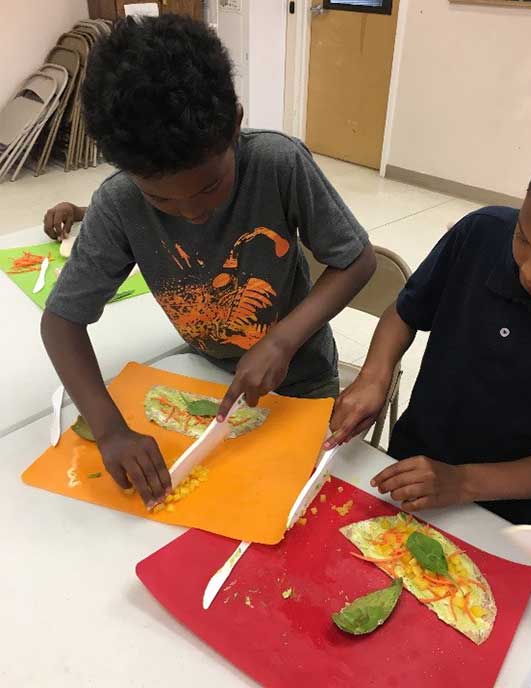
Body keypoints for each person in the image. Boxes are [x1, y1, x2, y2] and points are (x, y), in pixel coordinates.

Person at [41, 15, 375, 508]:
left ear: (236, 125)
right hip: (203, 375)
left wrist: (282, 339)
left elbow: (358, 261)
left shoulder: (278, 164)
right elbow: (61, 323)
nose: (194, 211)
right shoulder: (118, 204)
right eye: (164, 201)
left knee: (286, 506)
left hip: (300, 380)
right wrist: (110, 429)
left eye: (209, 186)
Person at [327, 141, 531, 526]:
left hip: (517, 518)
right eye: (523, 239)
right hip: (410, 465)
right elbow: (403, 312)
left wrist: (464, 483)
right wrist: (373, 376)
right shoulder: (481, 234)